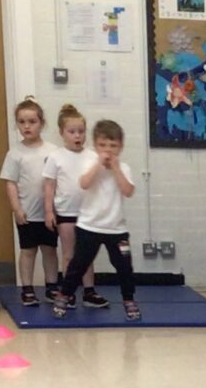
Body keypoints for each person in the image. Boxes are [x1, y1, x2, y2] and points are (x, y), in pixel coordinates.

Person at [49, 118, 140, 322]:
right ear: (95, 146)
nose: (108, 150)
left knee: (124, 268)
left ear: (121, 147)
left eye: (113, 145)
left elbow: (128, 191)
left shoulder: (124, 168)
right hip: (89, 226)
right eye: (103, 145)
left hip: (116, 229)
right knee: (78, 265)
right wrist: (99, 165)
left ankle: (129, 299)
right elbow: (84, 183)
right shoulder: (89, 163)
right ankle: (64, 295)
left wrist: (115, 168)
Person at [0, 97, 58, 307]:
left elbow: (58, 180)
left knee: (49, 249)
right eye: (22, 122)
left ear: (41, 123)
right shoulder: (15, 153)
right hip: (27, 212)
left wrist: (54, 208)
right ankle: (27, 289)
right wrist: (16, 208)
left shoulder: (53, 151)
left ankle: (52, 287)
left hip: (49, 212)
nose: (27, 126)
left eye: (32, 121)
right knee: (28, 251)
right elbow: (10, 183)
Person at [43, 103, 96, 306]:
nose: (77, 136)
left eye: (81, 131)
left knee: (87, 255)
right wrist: (49, 211)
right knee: (69, 255)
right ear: (62, 133)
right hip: (66, 212)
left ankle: (89, 291)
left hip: (87, 213)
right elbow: (49, 186)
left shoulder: (92, 156)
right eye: (72, 132)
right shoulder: (55, 157)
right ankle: (68, 292)